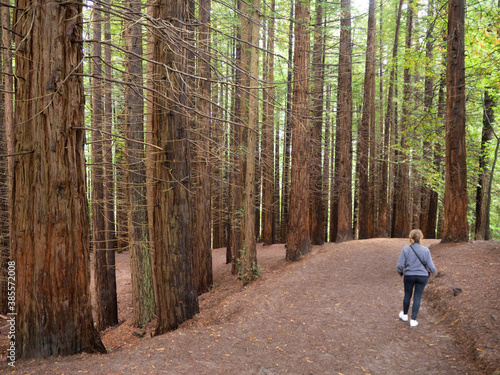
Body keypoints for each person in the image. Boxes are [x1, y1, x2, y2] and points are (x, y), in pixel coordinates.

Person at [397, 229, 436, 327]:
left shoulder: (405, 249)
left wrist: (400, 272)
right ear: (421, 238)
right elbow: (430, 266)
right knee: (417, 296)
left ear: (410, 237)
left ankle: (405, 315)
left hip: (409, 275)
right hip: (422, 276)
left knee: (407, 294)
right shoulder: (426, 250)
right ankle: (413, 320)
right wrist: (434, 271)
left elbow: (400, 264)